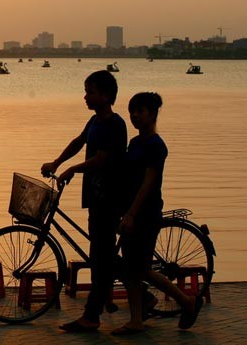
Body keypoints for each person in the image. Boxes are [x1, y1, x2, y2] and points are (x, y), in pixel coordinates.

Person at [41, 70, 127, 332]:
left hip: (110, 197)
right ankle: (142, 297)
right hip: (95, 195)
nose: (86, 97)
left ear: (105, 95)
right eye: (86, 91)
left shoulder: (115, 124)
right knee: (102, 255)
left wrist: (72, 170)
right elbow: (78, 142)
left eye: (90, 92)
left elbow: (102, 159)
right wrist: (57, 162)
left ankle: (92, 315)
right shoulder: (94, 122)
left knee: (100, 256)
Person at [112, 92, 203, 336]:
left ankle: (186, 301)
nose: (134, 116)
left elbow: (148, 183)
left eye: (140, 111)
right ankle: (136, 319)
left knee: (140, 269)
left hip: (146, 212)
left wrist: (131, 213)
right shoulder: (135, 142)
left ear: (152, 114)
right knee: (132, 269)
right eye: (132, 111)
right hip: (131, 211)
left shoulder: (155, 145)